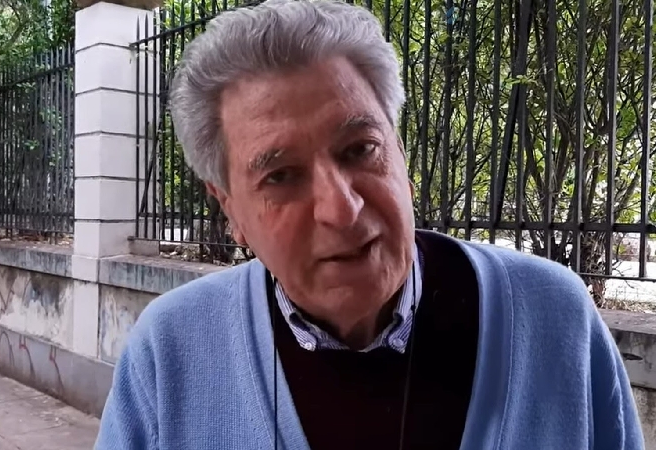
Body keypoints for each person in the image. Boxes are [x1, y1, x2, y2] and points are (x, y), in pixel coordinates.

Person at [94, 0, 645, 448]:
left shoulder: (554, 320)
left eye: (360, 149)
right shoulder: (171, 353)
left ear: (400, 153)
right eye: (280, 176)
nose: (341, 209)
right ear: (230, 209)